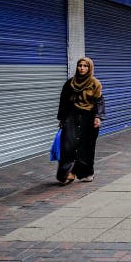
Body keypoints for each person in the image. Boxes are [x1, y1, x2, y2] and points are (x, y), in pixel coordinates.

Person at [56, 57, 105, 185]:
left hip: (89, 117)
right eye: (80, 65)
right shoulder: (70, 84)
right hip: (72, 116)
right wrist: (62, 119)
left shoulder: (95, 83)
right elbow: (63, 102)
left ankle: (86, 173)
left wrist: (98, 117)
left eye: (85, 66)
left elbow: (99, 101)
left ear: (90, 68)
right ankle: (67, 174)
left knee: (87, 147)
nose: (82, 68)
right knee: (67, 146)